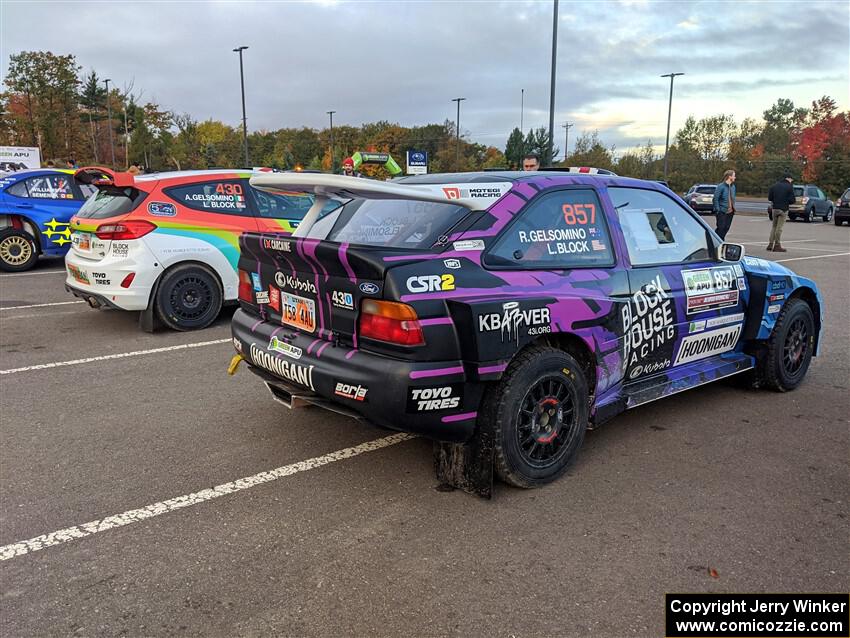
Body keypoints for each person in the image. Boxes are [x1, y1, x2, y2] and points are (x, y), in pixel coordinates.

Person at [766, 172, 795, 252]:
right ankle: (777, 245)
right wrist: (786, 201)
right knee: (779, 228)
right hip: (783, 209)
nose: (791, 181)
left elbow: (770, 198)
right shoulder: (789, 187)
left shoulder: (774, 186)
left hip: (774, 209)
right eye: (791, 180)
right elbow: (792, 200)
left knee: (774, 227)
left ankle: (770, 244)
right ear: (788, 178)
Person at [713, 169, 736, 240]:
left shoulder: (733, 187)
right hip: (722, 211)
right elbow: (715, 199)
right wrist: (718, 210)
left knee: (726, 227)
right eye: (734, 176)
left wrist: (733, 208)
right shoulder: (721, 186)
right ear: (729, 177)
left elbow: (733, 198)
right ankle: (717, 241)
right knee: (721, 227)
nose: (735, 177)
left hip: (730, 211)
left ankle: (719, 240)